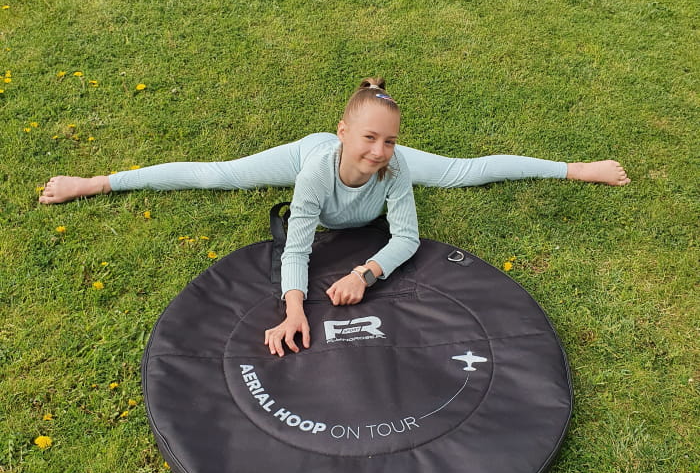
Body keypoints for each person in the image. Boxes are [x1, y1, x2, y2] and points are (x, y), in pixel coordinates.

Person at [39, 78, 630, 355]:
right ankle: (94, 183)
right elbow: (296, 248)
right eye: (370, 139)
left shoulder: (394, 167)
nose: (379, 152)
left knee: (463, 169)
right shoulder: (316, 170)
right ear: (346, 132)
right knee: (217, 174)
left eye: (390, 141)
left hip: (362, 205)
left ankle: (578, 167)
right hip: (309, 156)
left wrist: (365, 273)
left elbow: (407, 238)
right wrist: (293, 312)